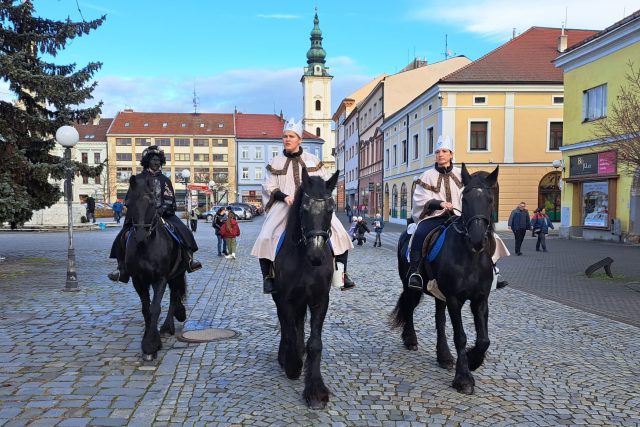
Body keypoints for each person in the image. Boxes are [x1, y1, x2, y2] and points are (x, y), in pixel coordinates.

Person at [251, 117, 355, 294]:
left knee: (340, 234)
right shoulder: (275, 161)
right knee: (266, 236)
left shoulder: (313, 160)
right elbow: (268, 185)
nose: (287, 139)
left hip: (313, 206)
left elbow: (324, 182)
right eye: (285, 136)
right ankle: (268, 277)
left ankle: (341, 275)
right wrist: (284, 197)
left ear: (300, 139)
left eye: (291, 136)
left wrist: (319, 198)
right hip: (284, 205)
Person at [406, 135, 510, 291]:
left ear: (451, 154)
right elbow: (420, 198)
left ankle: (493, 270)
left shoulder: (461, 173)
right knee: (419, 233)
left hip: (460, 216)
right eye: (437, 152)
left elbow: (472, 194)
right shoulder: (427, 175)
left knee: (489, 235)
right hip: (435, 217)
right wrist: (439, 203)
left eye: (444, 151)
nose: (440, 154)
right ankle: (416, 272)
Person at [107, 146, 202, 283]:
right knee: (122, 236)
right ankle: (122, 269)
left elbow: (170, 199)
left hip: (162, 214)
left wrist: (162, 209)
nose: (156, 163)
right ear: (147, 162)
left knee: (184, 231)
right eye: (153, 160)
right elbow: (129, 199)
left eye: (158, 160)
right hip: (141, 216)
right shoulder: (138, 179)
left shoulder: (165, 180)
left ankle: (188, 260)